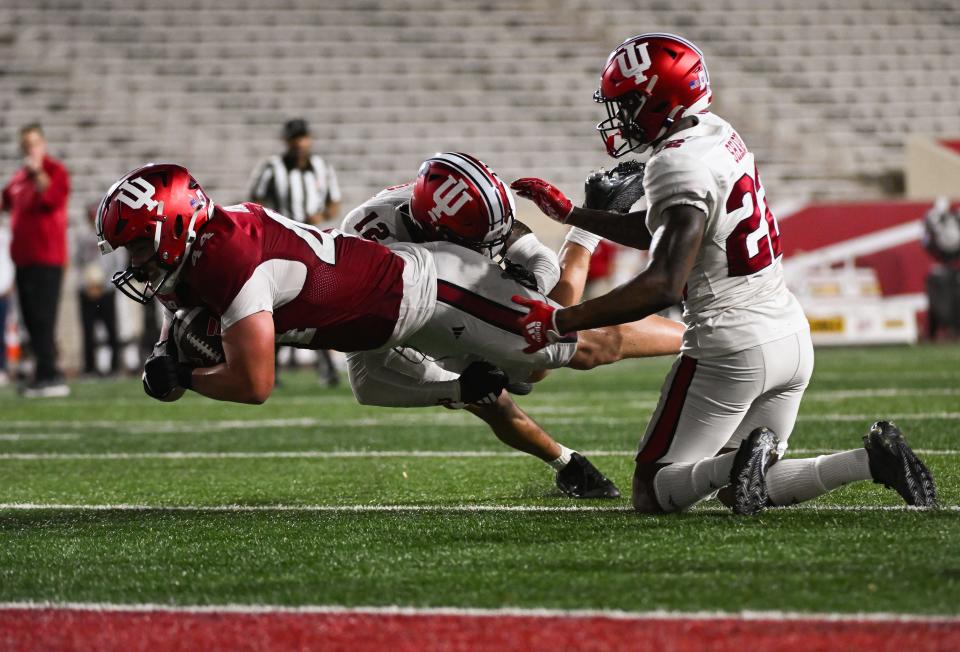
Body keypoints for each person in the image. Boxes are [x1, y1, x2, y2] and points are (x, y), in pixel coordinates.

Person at [510, 33, 937, 515]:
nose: (621, 115)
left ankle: (737, 462)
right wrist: (575, 216)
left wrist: (561, 321)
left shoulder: (674, 163)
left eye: (629, 101)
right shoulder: (717, 133)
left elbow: (664, 283)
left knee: (654, 491)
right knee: (746, 488)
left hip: (730, 346)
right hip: (789, 336)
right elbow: (668, 231)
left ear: (660, 99)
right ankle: (869, 461)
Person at [95, 163, 667, 414]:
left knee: (582, 345)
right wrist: (166, 360)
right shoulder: (189, 254)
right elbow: (182, 321)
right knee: (373, 387)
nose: (135, 261)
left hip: (430, 288)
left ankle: (694, 331)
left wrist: (186, 378)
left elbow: (255, 382)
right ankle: (467, 387)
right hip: (376, 328)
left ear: (175, 227)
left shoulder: (228, 256)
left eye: (140, 244)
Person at [341, 153, 682, 497]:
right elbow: (366, 380)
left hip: (450, 292)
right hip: (417, 312)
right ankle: (569, 465)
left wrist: (533, 281)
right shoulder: (371, 257)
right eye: (475, 244)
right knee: (495, 392)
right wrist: (454, 390)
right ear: (435, 229)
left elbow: (539, 257)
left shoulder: (476, 208)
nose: (486, 250)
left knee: (575, 347)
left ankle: (700, 335)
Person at [249, 118, 343, 386]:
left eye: (303, 137)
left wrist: (322, 214)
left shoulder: (322, 167)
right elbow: (254, 200)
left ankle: (326, 369)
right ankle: (272, 369)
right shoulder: (272, 167)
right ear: (287, 141)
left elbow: (334, 203)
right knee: (280, 305)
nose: (300, 143)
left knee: (318, 303)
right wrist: (275, 220)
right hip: (280, 244)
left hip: (313, 242)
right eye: (295, 138)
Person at [0, 123, 70, 397]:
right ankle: (41, 374)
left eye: (34, 143)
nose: (30, 149)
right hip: (24, 259)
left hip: (47, 259)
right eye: (26, 144)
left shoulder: (54, 172)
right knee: (30, 320)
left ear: (43, 144)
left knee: (44, 319)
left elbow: (52, 198)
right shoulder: (18, 179)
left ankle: (52, 377)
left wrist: (38, 171)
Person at [74, 202, 123, 376]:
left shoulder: (109, 235)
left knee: (111, 329)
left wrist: (105, 285)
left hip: (106, 289)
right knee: (88, 330)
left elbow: (117, 264)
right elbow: (77, 263)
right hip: (87, 289)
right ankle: (90, 367)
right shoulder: (81, 236)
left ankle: (115, 366)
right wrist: (86, 285)